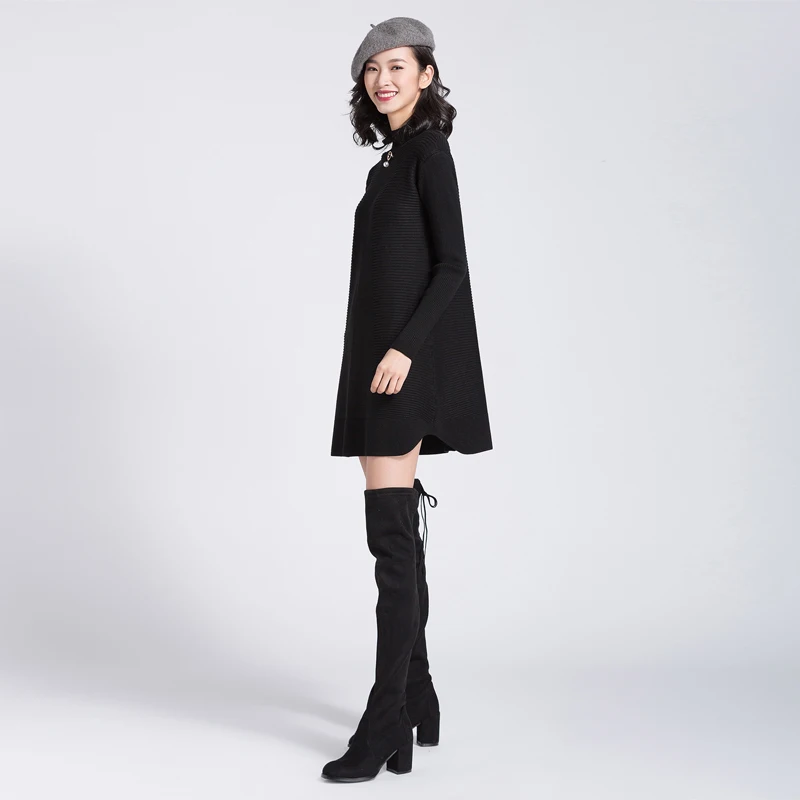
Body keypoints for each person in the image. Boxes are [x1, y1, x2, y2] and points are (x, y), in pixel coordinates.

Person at [322, 17, 493, 783]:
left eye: (398, 65)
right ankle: (416, 695)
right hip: (376, 361)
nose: (383, 79)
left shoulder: (429, 153)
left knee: (389, 543)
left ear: (426, 74)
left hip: (401, 364)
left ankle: (386, 715)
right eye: (372, 69)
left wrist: (404, 349)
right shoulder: (388, 165)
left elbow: (452, 266)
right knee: (394, 537)